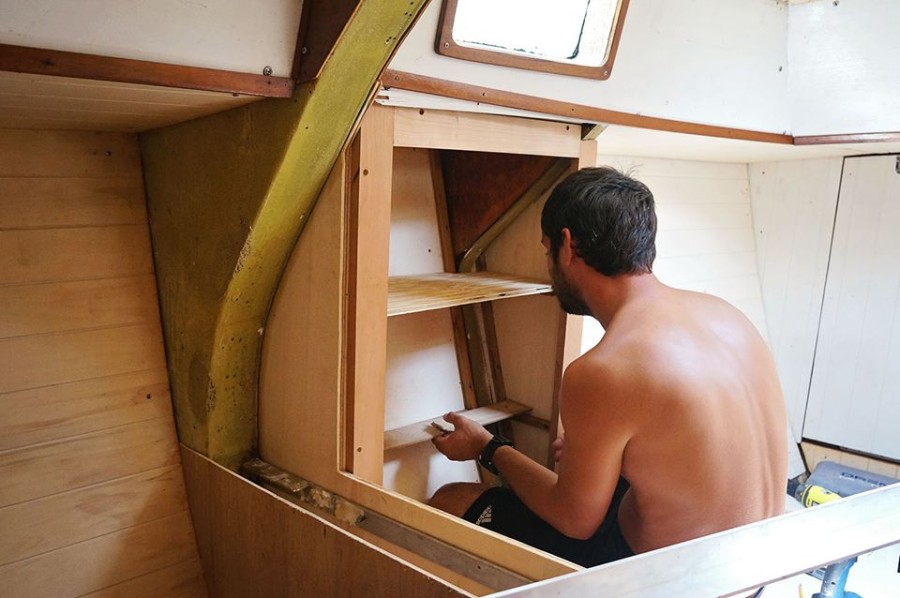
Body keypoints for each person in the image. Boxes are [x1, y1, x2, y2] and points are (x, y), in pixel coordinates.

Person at [429, 167, 788, 568]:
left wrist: (488, 447)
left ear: (567, 246)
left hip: (674, 583)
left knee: (451, 501)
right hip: (753, 569)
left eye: (546, 249)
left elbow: (574, 521)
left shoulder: (605, 369)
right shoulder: (728, 316)